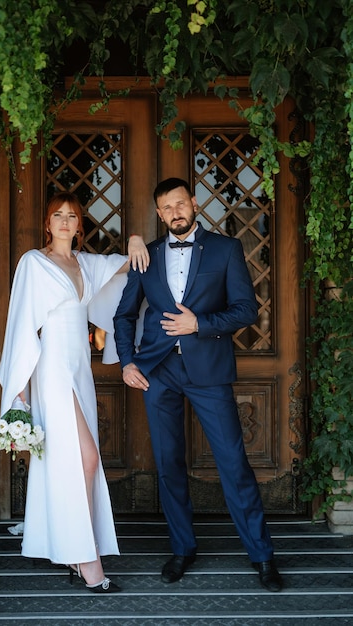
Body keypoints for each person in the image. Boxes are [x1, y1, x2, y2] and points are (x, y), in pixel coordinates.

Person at [113, 177, 282, 592]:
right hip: (158, 372)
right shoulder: (147, 255)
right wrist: (127, 362)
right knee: (169, 466)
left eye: (179, 203)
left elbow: (245, 310)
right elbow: (124, 315)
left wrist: (199, 324)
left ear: (193, 202)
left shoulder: (226, 249)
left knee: (233, 463)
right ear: (158, 214)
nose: (174, 212)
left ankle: (261, 555)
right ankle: (182, 548)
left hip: (209, 372)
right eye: (165, 208)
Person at [0, 191, 149, 594]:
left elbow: (128, 267)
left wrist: (135, 238)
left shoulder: (86, 263)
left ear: (79, 225)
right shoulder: (34, 263)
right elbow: (21, 327)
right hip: (50, 371)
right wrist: (19, 395)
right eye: (57, 216)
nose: (64, 222)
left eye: (71, 216)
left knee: (76, 461)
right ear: (47, 224)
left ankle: (73, 545)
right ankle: (86, 558)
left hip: (79, 369)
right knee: (84, 458)